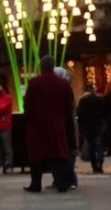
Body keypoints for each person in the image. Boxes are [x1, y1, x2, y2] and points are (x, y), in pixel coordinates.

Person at [23, 56, 75, 193]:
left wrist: (29, 120)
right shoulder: (63, 84)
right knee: (57, 154)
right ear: (53, 66)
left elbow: (27, 105)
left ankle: (36, 184)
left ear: (41, 67)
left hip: (37, 126)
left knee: (37, 156)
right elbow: (68, 108)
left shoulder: (34, 83)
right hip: (57, 125)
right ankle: (61, 182)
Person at [53, 67, 78, 190]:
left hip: (66, 125)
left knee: (66, 152)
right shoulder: (67, 88)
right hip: (68, 125)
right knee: (68, 152)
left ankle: (70, 179)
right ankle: (70, 179)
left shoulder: (64, 89)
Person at [77, 84, 106, 174]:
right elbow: (103, 112)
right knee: (99, 145)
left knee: (91, 146)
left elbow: (79, 114)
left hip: (87, 126)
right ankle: (100, 164)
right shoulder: (99, 100)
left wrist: (80, 126)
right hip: (98, 125)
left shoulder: (82, 101)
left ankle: (94, 166)